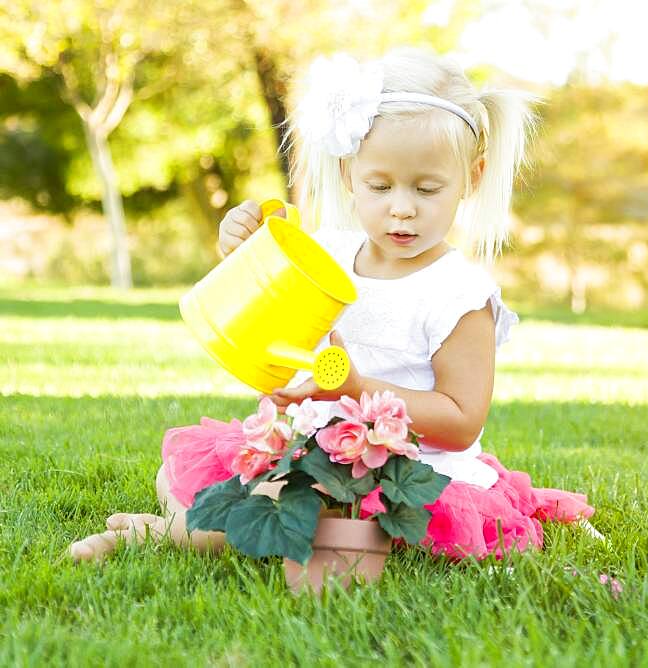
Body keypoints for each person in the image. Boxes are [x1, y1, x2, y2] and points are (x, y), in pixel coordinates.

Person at [69, 48, 599, 563]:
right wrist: (242, 242)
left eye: (427, 189)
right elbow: (270, 302)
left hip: (400, 471)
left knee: (259, 515)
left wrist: (358, 392)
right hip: (315, 446)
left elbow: (461, 421)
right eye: (380, 185)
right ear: (349, 176)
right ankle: (187, 519)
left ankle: (163, 534)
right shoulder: (332, 253)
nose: (402, 208)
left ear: (472, 178)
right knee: (182, 470)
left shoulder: (458, 294)